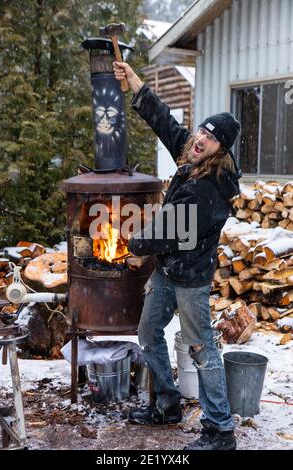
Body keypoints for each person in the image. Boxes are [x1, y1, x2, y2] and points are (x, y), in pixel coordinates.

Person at [113, 61, 242, 451]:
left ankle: (220, 430)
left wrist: (131, 245)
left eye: (211, 137)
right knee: (149, 332)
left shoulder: (211, 186)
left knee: (201, 348)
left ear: (221, 149)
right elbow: (166, 124)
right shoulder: (194, 156)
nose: (201, 138)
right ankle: (167, 404)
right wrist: (135, 83)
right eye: (203, 130)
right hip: (167, 272)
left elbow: (170, 232)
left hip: (190, 280)